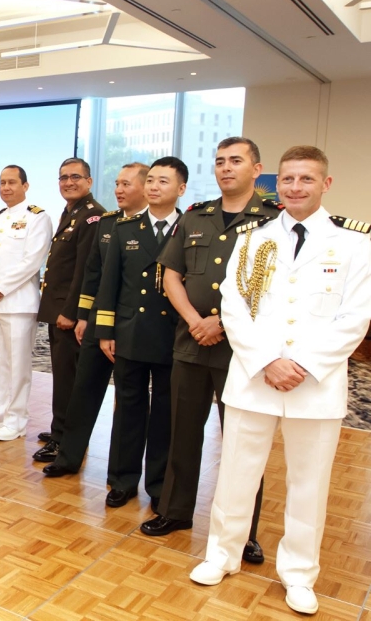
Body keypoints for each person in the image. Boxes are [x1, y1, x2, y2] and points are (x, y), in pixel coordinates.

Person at [189, 146, 371, 615]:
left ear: (325, 184)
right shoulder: (253, 238)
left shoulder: (354, 242)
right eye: (287, 179)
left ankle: (299, 574)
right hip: (254, 377)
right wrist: (268, 359)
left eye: (306, 180)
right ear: (276, 184)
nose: (295, 188)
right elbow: (233, 305)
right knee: (235, 474)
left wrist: (303, 364)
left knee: (309, 483)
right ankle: (222, 554)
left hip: (315, 384)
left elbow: (355, 318)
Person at [141, 137, 277, 565]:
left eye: (236, 161)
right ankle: (175, 511)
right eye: (220, 161)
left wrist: (223, 321)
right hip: (191, 344)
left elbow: (275, 287)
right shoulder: (197, 218)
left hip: (244, 351)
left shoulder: (274, 220)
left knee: (243, 443)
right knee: (181, 432)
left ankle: (244, 533)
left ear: (256, 168)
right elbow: (171, 276)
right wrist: (195, 321)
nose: (226, 168)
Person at [42, 163, 149, 474]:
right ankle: (68, 454)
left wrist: (77, 313)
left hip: (130, 324)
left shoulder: (151, 227)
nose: (119, 189)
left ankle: (120, 473)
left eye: (126, 184)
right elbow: (92, 273)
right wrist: (84, 315)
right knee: (81, 391)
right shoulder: (107, 222)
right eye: (117, 183)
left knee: (127, 400)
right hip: (95, 320)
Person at [94, 156, 186, 509]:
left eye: (163, 182)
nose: (154, 187)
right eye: (151, 181)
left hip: (172, 334)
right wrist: (105, 329)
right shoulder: (125, 229)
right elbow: (110, 283)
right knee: (128, 408)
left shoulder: (190, 229)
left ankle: (160, 484)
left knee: (166, 412)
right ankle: (122, 479)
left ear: (180, 189)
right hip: (130, 331)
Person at [0, 165, 52, 439]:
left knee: (17, 364)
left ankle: (15, 419)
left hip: (18, 303)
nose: (6, 187)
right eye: (2, 182)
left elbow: (32, 261)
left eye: (12, 182)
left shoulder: (38, 218)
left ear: (25, 186)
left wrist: (0, 287)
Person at [34, 158, 106, 461]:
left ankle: (67, 439)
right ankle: (59, 428)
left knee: (69, 378)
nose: (68, 182)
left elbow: (84, 271)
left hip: (69, 312)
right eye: (63, 177)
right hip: (58, 308)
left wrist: (71, 311)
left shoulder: (92, 216)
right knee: (62, 375)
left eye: (75, 177)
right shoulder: (71, 212)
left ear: (89, 181)